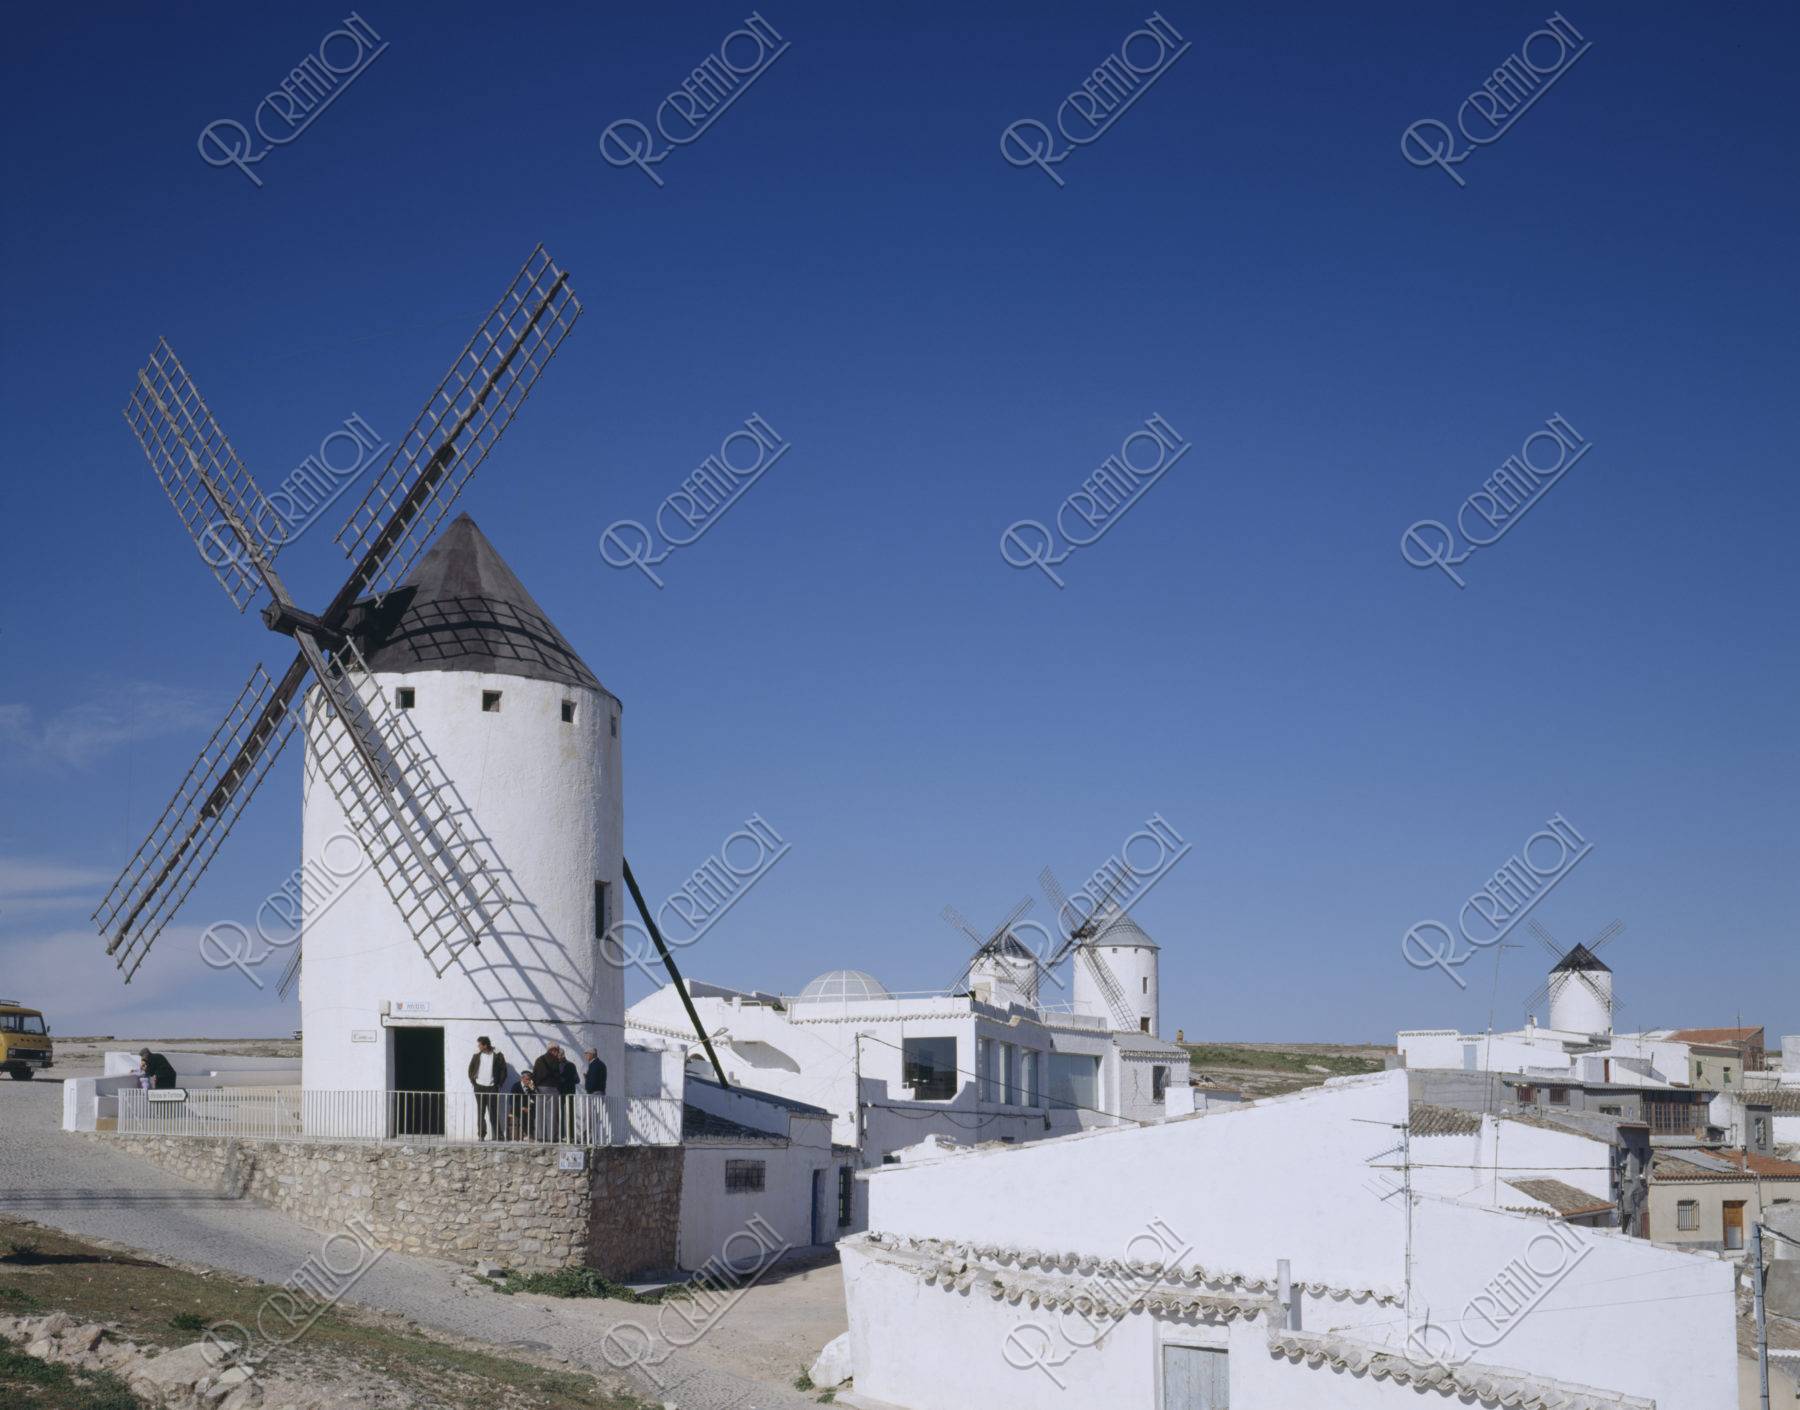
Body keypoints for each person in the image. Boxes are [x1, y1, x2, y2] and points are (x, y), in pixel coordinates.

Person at [467, 1036, 509, 1141]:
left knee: (493, 1112)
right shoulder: (477, 1055)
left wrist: (499, 1084)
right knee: (480, 1112)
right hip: (479, 1087)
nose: (478, 1046)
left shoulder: (498, 1055)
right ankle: (481, 1135)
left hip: (492, 1088)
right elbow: (471, 1069)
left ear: (485, 1045)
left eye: (480, 1045)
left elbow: (503, 1070)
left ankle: (498, 1136)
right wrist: (474, 1082)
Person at [505, 1069, 537, 1141]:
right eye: (527, 1079)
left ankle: (530, 1135)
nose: (529, 1081)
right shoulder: (516, 1086)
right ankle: (522, 1135)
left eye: (530, 1079)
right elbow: (512, 1100)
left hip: (528, 1108)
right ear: (522, 1078)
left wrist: (533, 1090)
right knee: (522, 1115)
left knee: (532, 1114)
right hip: (517, 1108)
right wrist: (522, 1107)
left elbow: (534, 1099)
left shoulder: (531, 1087)